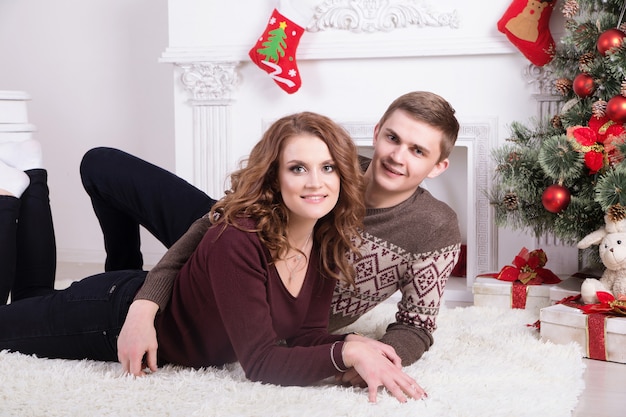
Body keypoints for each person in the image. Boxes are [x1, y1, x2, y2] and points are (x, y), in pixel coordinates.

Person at [0, 112, 425, 403]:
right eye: (298, 168)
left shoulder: (326, 242)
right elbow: (260, 363)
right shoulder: (239, 239)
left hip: (142, 294)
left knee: (30, 296)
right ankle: (8, 198)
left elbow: (305, 337)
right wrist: (345, 354)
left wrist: (352, 345)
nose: (316, 182)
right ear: (275, 177)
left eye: (328, 167)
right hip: (106, 316)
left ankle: (31, 177)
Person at [81, 91, 462, 387]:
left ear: (438, 166)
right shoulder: (332, 169)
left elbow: (417, 324)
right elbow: (207, 227)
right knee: (103, 164)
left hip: (278, 308)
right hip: (249, 240)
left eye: (417, 151)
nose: (397, 156)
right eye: (393, 138)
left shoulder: (433, 226)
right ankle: (123, 278)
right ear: (377, 133)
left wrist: (379, 358)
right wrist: (144, 305)